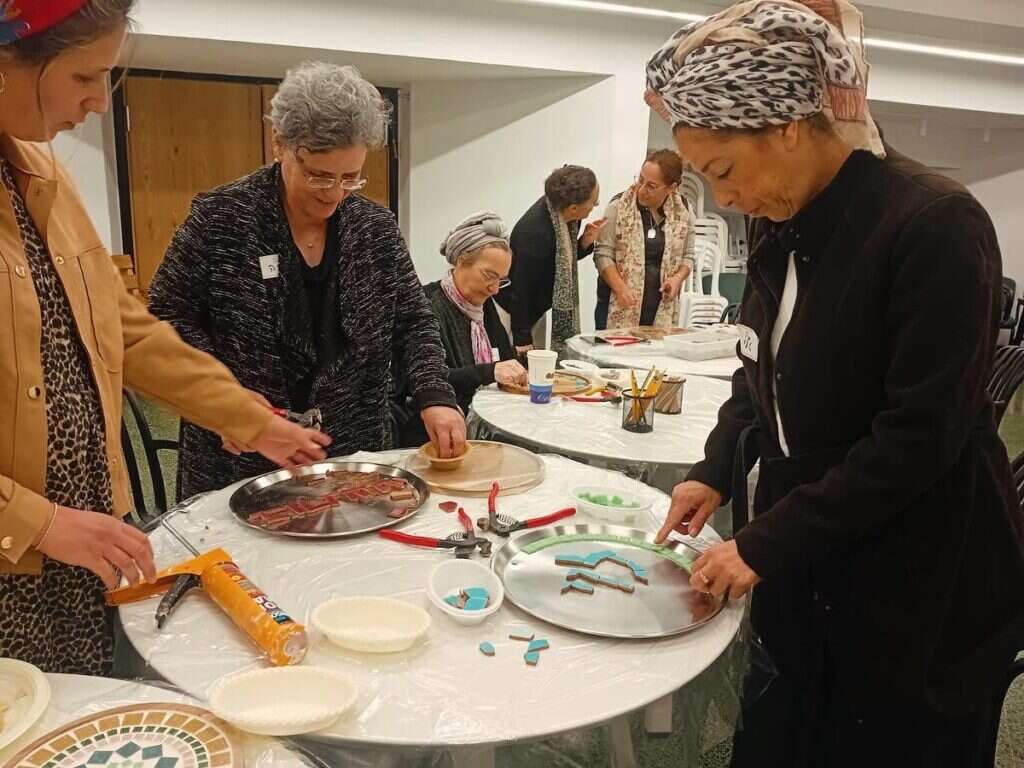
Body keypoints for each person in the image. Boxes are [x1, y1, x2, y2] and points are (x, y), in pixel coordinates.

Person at [646, 1, 1024, 766]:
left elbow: (919, 440)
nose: (725, 198)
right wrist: (715, 471)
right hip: (812, 549)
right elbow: (760, 366)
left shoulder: (934, 225)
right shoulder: (781, 219)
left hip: (920, 578)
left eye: (724, 170)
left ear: (788, 127)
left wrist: (764, 540)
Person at [0, 0, 330, 676]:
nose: (97, 104)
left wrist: (246, 417)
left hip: (82, 534)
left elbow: (127, 329)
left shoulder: (42, 172)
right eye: (85, 77)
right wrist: (37, 521)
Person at [149, 61, 466, 500]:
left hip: (352, 451)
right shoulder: (222, 218)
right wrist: (222, 400)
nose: (334, 193)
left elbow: (413, 321)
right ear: (280, 144)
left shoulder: (375, 228)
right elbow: (167, 319)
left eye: (350, 178)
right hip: (241, 453)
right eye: (318, 175)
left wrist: (435, 394)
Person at [394, 211, 526, 447]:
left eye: (502, 280)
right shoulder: (425, 307)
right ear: (462, 260)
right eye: (489, 276)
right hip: (433, 435)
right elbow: (417, 383)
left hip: (481, 421)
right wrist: (488, 372)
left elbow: (505, 357)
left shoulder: (483, 306)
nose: (495, 289)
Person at [496, 165, 605, 353]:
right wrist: (522, 339)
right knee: (521, 366)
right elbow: (522, 290)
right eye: (594, 203)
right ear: (573, 207)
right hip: (513, 311)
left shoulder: (563, 214)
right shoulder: (536, 234)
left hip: (536, 306)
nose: (596, 205)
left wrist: (584, 243)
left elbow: (556, 263)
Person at [594, 148, 695, 330]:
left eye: (651, 186)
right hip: (619, 303)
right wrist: (620, 288)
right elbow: (602, 253)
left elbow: (688, 255)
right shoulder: (619, 206)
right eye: (640, 179)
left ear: (671, 187)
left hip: (661, 308)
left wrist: (677, 279)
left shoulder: (684, 211)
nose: (641, 189)